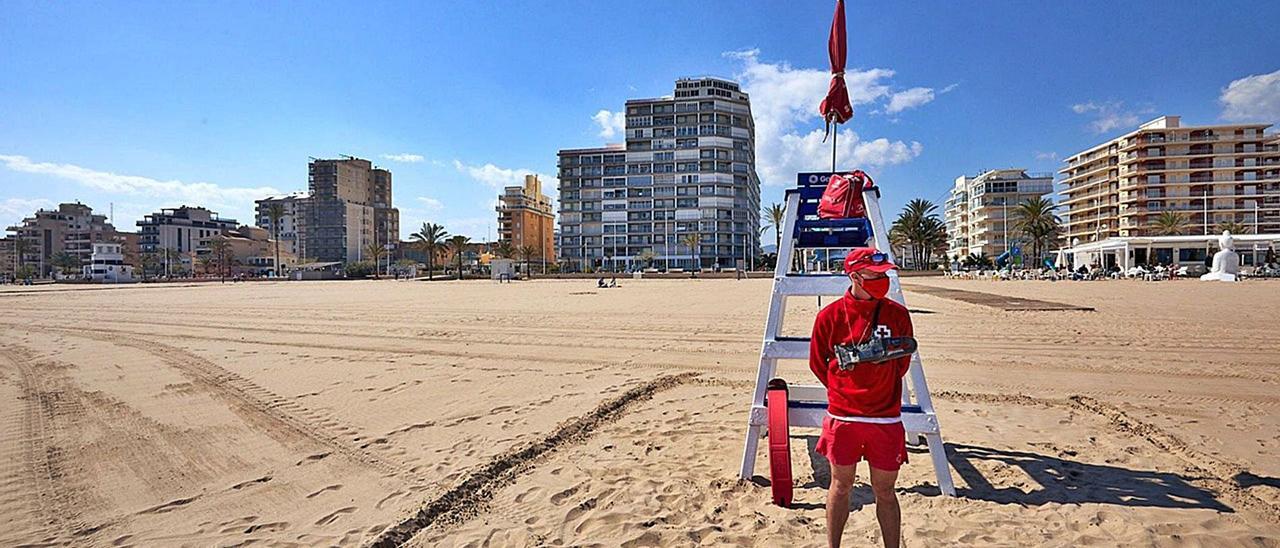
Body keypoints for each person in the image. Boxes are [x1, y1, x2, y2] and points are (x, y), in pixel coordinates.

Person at [809, 247, 913, 548]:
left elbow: (901, 365)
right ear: (855, 276)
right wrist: (846, 389)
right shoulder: (829, 317)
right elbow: (818, 363)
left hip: (886, 418)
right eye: (875, 275)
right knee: (840, 487)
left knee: (886, 492)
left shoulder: (898, 314)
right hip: (844, 418)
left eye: (885, 274)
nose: (884, 279)